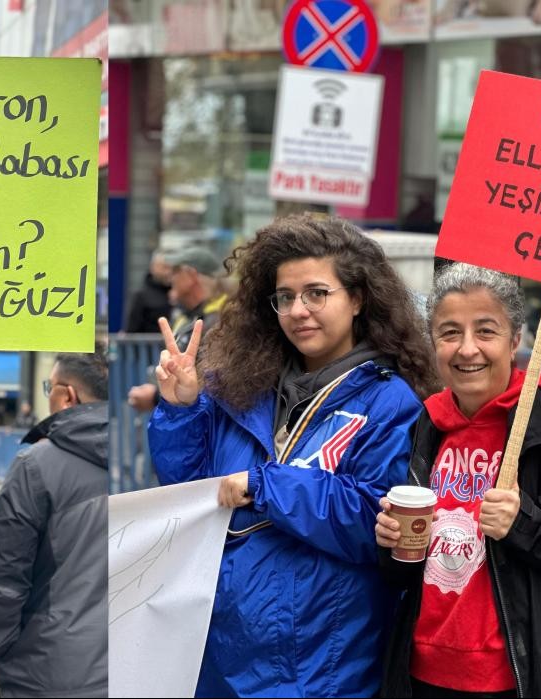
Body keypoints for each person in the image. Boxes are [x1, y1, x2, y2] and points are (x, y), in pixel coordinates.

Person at [148, 214, 440, 697]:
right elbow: (192, 495)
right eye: (285, 297)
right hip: (221, 653)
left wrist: (264, 485)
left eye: (317, 293)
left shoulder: (390, 402)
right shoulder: (239, 387)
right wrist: (181, 410)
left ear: (358, 299)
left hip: (321, 663)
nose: (299, 310)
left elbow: (374, 520)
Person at [375, 264, 541, 698]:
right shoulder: (428, 424)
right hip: (423, 673)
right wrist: (393, 544)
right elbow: (418, 564)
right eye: (449, 333)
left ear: (515, 340)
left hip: (522, 677)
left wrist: (527, 523)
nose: (467, 349)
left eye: (486, 331)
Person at [0, 349, 109, 698]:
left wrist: (5, 652)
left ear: (67, 396)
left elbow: (1, 573)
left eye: (49, 386)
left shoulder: (37, 464)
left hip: (45, 674)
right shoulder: (145, 452)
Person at [127, 245, 227, 413]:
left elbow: (210, 384)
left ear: (191, 276)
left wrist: (155, 397)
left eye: (175, 271)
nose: (169, 277)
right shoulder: (187, 317)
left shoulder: (222, 320)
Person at [124, 249, 173, 333]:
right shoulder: (141, 296)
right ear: (153, 267)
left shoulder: (180, 294)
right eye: (164, 267)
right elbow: (131, 330)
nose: (168, 272)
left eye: (172, 268)